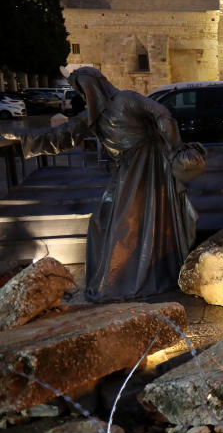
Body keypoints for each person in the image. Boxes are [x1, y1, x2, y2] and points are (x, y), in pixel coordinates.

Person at [0, 67, 203, 301]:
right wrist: (18, 135)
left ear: (97, 85)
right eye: (81, 90)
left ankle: (130, 278)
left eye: (85, 87)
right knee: (104, 222)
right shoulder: (92, 116)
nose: (85, 93)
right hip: (128, 169)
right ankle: (126, 277)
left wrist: (175, 146)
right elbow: (60, 137)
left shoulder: (126, 99)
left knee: (128, 223)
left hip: (151, 165)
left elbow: (162, 113)